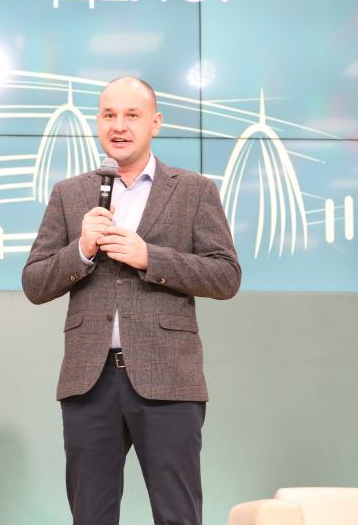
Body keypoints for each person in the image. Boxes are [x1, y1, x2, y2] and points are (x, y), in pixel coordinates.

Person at [22, 77, 241, 525]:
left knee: (178, 514)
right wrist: (81, 250)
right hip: (89, 381)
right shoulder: (70, 193)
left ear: (155, 123)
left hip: (169, 379)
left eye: (131, 115)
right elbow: (35, 283)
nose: (118, 126)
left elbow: (225, 275)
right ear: (97, 122)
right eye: (109, 115)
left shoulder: (194, 190)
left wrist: (149, 258)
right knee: (91, 515)